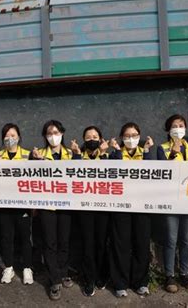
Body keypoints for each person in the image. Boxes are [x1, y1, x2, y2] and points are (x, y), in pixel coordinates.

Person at [31, 120, 81, 300]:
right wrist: (34, 161)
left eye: (56, 132)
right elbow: (31, 181)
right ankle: (54, 280)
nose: (53, 136)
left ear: (62, 133)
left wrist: (77, 156)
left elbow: (79, 174)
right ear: (45, 136)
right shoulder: (38, 154)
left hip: (67, 205)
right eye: (49, 133)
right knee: (50, 242)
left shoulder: (70, 152)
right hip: (47, 205)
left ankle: (63, 271)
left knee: (65, 241)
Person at [108, 122, 154, 298]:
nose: (131, 139)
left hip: (143, 206)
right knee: (121, 245)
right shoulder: (115, 155)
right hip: (121, 207)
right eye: (126, 136)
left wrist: (148, 151)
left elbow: (152, 173)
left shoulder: (146, 154)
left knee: (142, 244)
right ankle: (120, 283)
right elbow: (115, 172)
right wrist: (117, 151)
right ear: (121, 138)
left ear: (140, 136)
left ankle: (141, 282)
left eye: (134, 135)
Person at [157, 115, 188, 293]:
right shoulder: (162, 148)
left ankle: (184, 273)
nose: (178, 129)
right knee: (171, 239)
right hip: (170, 200)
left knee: (187, 239)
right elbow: (160, 172)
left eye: (181, 126)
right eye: (174, 126)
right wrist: (173, 153)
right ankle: (169, 275)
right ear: (168, 130)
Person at [0, 123, 34, 285]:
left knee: (25, 237)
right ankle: (8, 268)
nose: (10, 138)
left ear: (19, 137)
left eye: (13, 135)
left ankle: (27, 268)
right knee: (6, 238)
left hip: (23, 205)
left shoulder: (27, 155)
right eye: (7, 135)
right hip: (4, 205)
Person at [79, 126, 111, 296]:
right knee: (88, 244)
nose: (92, 139)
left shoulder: (108, 156)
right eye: (88, 136)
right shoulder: (77, 157)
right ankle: (89, 278)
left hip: (103, 207)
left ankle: (102, 275)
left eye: (95, 136)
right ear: (84, 140)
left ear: (101, 139)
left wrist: (104, 154)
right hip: (85, 208)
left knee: (101, 243)